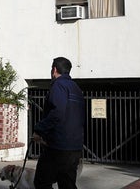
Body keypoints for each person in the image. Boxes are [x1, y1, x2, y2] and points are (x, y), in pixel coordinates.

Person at [32, 57, 85, 189]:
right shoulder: (76, 89)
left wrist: (39, 129)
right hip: (75, 147)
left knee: (41, 182)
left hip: (58, 147)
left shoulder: (58, 85)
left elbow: (57, 112)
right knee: (67, 184)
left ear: (54, 69)